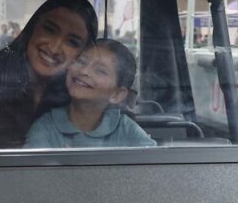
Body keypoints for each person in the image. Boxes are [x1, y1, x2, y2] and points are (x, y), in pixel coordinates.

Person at [0, 0, 99, 147]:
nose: (54, 48)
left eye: (72, 42)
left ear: (82, 53)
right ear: (32, 29)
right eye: (49, 29)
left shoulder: (76, 94)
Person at [25, 39, 155, 149]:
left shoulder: (127, 131)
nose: (85, 71)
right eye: (81, 61)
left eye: (100, 71)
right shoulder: (45, 127)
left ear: (117, 94)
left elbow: (154, 169)